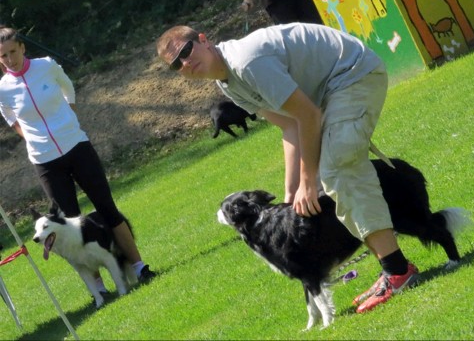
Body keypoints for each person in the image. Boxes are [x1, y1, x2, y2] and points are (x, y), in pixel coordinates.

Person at [156, 23, 419, 313]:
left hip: (351, 75)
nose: (185, 62)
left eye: (186, 50)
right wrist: (291, 192)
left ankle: (397, 271)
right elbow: (290, 125)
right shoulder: (228, 82)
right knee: (325, 184)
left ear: (204, 40)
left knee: (338, 170)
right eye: (176, 64)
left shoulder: (246, 62)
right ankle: (391, 268)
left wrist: (308, 181)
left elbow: (307, 115)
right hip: (327, 93)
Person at [0, 26, 156, 288]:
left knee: (107, 208)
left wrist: (68, 117)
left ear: (22, 48)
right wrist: (32, 138)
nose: (8, 60)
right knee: (69, 223)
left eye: (12, 52)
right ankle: (98, 288)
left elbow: (68, 88)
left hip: (76, 146)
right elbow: (11, 119)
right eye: (2, 56)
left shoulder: (46, 66)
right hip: (45, 161)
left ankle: (140, 268)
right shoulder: (3, 89)